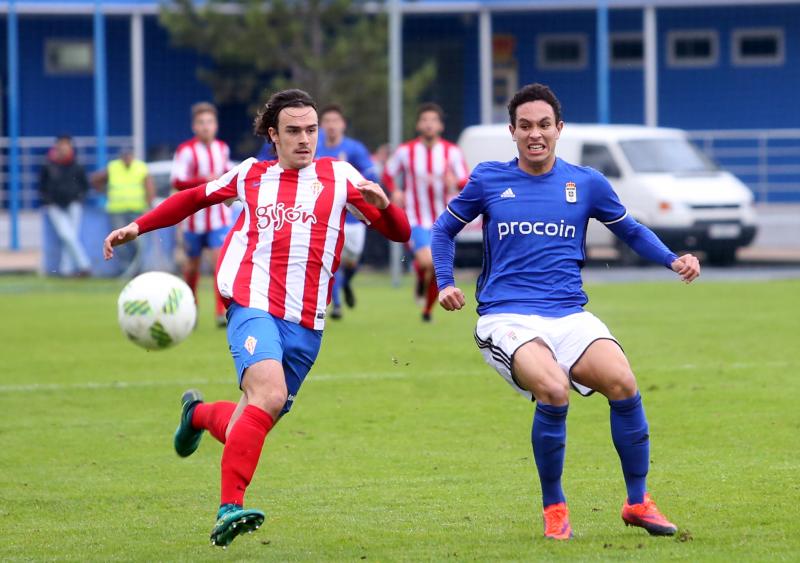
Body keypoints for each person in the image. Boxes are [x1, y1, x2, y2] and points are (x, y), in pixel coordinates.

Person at [103, 89, 410, 548]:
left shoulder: (342, 177)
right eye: (294, 131)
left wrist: (384, 206)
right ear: (273, 135)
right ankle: (229, 509)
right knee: (268, 393)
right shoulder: (251, 175)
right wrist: (138, 226)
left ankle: (197, 415)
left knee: (250, 421)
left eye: (311, 130)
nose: (305, 139)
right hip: (252, 303)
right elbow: (193, 199)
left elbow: (399, 233)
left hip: (307, 323)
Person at [431, 83, 700, 540]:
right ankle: (555, 508)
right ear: (512, 131)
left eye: (543, 125)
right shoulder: (489, 179)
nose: (535, 134)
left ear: (559, 128)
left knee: (623, 381)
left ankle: (638, 502)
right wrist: (445, 282)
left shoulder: (587, 182)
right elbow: (443, 230)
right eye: (525, 126)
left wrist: (673, 259)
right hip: (506, 317)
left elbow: (631, 231)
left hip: (569, 314)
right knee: (555, 390)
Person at [383, 103, 469, 322]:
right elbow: (388, 173)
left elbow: (466, 181)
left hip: (444, 220)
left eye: (433, 120)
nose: (429, 124)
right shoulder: (406, 151)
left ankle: (427, 310)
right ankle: (420, 273)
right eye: (425, 120)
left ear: (440, 126)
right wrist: (395, 191)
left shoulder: (452, 152)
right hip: (415, 218)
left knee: (435, 267)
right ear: (418, 125)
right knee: (429, 262)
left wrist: (455, 182)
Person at [171, 102, 234, 327]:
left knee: (220, 264)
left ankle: (220, 312)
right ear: (194, 126)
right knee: (191, 268)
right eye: (201, 122)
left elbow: (228, 174)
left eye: (210, 122)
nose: (206, 126)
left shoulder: (222, 148)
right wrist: (204, 181)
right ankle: (192, 309)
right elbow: (177, 181)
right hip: (193, 221)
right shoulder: (186, 150)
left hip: (218, 219)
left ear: (216, 125)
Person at [315, 104, 379, 320]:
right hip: (326, 214)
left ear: (343, 124)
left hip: (353, 216)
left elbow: (371, 175)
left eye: (335, 121)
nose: (331, 125)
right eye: (327, 121)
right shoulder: (315, 148)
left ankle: (347, 283)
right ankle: (337, 305)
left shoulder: (354, 148)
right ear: (321, 125)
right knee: (330, 261)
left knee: (350, 262)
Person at [92, 148, 154, 277]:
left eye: (128, 155)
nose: (127, 158)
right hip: (117, 210)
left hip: (136, 210)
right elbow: (95, 179)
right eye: (125, 156)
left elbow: (149, 188)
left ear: (132, 156)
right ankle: (126, 269)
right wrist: (105, 192)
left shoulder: (141, 167)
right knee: (120, 242)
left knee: (138, 243)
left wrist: (148, 205)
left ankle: (137, 269)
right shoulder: (113, 167)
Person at [38, 135, 92, 277]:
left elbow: (84, 185)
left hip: (73, 204)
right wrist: (48, 201)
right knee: (66, 235)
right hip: (54, 205)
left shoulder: (77, 165)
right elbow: (42, 186)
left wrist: (78, 199)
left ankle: (66, 270)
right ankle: (84, 265)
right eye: (61, 145)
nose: (64, 148)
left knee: (70, 237)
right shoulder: (49, 165)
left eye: (66, 145)